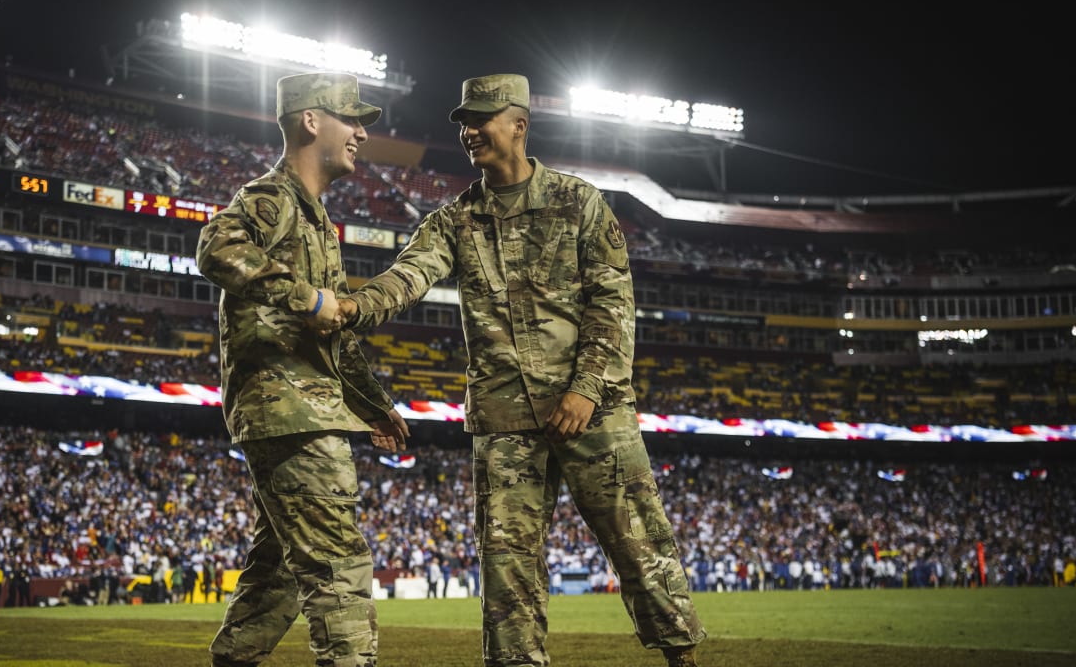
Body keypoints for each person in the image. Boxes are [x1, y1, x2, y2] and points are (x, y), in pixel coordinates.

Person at [333, 74, 706, 667]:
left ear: (519, 125)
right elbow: (409, 276)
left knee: (639, 544)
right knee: (507, 567)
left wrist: (585, 389)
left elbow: (613, 302)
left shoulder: (578, 201)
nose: (468, 130)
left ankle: (682, 655)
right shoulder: (455, 221)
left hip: (595, 411)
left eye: (481, 119)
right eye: (463, 121)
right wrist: (354, 306)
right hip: (505, 418)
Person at [197, 71, 410, 667]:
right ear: (311, 121)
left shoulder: (320, 223)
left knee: (279, 573)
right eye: (351, 119)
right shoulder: (273, 198)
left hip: (305, 407)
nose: (363, 133)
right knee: (338, 564)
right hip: (286, 409)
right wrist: (302, 296)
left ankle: (234, 658)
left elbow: (335, 338)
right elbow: (215, 247)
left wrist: (376, 407)